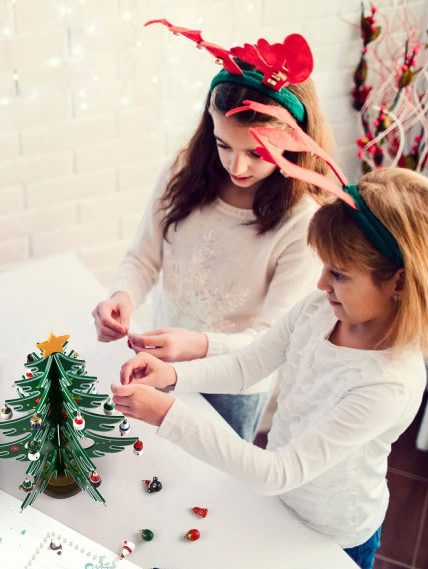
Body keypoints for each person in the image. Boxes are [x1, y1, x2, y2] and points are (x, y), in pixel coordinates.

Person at [109, 156, 428, 569]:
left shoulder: (388, 384)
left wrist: (168, 414)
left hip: (333, 534)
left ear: (399, 282)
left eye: (339, 274)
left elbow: (279, 471)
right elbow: (248, 365)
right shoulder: (320, 310)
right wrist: (175, 375)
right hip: (278, 505)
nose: (321, 283)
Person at [92, 21, 333, 440]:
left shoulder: (303, 224)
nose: (237, 167)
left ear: (294, 144)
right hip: (159, 360)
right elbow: (144, 257)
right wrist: (121, 296)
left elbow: (272, 341)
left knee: (215, 484)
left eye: (258, 153)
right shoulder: (182, 173)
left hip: (235, 385)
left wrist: (197, 347)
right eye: (224, 145)